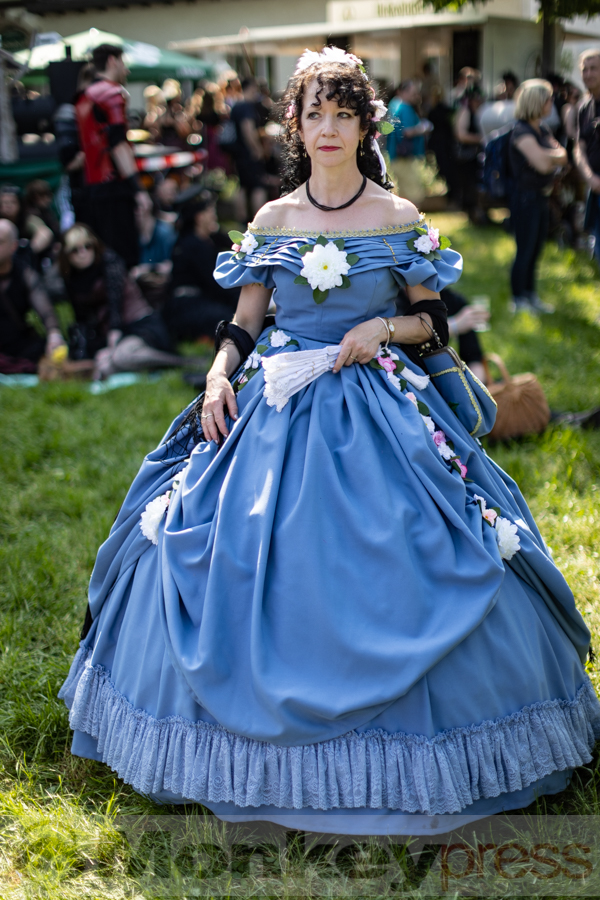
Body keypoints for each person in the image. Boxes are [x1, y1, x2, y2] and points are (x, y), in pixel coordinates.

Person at [59, 48, 600, 836]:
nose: (329, 129)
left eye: (343, 114)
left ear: (363, 125)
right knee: (227, 537)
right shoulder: (273, 221)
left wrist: (382, 328)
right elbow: (245, 321)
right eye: (315, 113)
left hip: (375, 398)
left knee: (416, 541)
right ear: (296, 125)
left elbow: (432, 320)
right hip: (278, 398)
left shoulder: (396, 215)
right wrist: (216, 377)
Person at [58, 223, 184, 379]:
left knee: (120, 357)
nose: (83, 253)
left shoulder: (109, 262)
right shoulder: (71, 277)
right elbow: (82, 318)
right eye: (75, 250)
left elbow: (115, 308)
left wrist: (111, 347)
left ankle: (177, 363)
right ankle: (142, 364)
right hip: (110, 336)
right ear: (67, 255)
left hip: (139, 327)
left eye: (87, 246)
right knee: (104, 367)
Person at [75, 43, 152, 269]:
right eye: (123, 62)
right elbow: (118, 145)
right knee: (124, 257)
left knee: (103, 257)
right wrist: (138, 190)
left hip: (92, 187)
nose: (126, 69)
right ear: (112, 61)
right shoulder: (111, 93)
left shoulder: (85, 95)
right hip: (113, 187)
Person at [508, 79, 567, 313]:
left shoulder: (541, 129)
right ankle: (517, 299)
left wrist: (545, 155)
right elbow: (544, 165)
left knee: (536, 250)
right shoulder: (521, 131)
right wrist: (549, 157)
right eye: (549, 99)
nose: (552, 103)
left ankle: (530, 295)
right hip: (525, 199)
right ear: (536, 101)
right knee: (525, 249)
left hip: (540, 198)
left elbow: (564, 155)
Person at [163, 187, 239, 341]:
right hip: (189, 306)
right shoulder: (191, 245)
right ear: (199, 217)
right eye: (210, 210)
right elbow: (215, 283)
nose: (214, 215)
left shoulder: (210, 240)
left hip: (202, 300)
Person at [0, 218, 65, 373]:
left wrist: (54, 334)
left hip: (17, 343)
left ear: (13, 246)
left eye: (0, 242)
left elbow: (46, 311)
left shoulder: (25, 274)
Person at [387, 79, 431, 206]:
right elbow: (407, 132)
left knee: (404, 193)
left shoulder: (394, 104)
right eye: (413, 93)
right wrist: (423, 129)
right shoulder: (404, 107)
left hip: (396, 155)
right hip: (404, 157)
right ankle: (415, 217)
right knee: (414, 194)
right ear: (403, 92)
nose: (416, 96)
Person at [574, 50, 600, 264]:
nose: (588, 74)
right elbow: (579, 148)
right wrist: (590, 177)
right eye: (585, 69)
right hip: (595, 187)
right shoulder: (584, 107)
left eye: (594, 69)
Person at [230, 77, 269, 217]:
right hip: (249, 153)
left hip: (238, 153)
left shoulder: (236, 106)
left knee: (242, 186)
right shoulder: (246, 107)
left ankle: (241, 218)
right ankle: (259, 220)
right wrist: (257, 149)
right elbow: (248, 130)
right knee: (258, 187)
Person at [0, 185, 54, 266]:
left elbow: (45, 233)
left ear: (20, 204)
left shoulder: (28, 218)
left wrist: (29, 249)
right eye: (5, 203)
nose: (8, 206)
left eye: (12, 202)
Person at [454, 85, 485, 222]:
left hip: (476, 156)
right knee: (468, 186)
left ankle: (478, 211)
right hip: (466, 157)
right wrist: (481, 139)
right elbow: (461, 135)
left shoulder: (479, 112)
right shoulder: (465, 112)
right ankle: (471, 213)